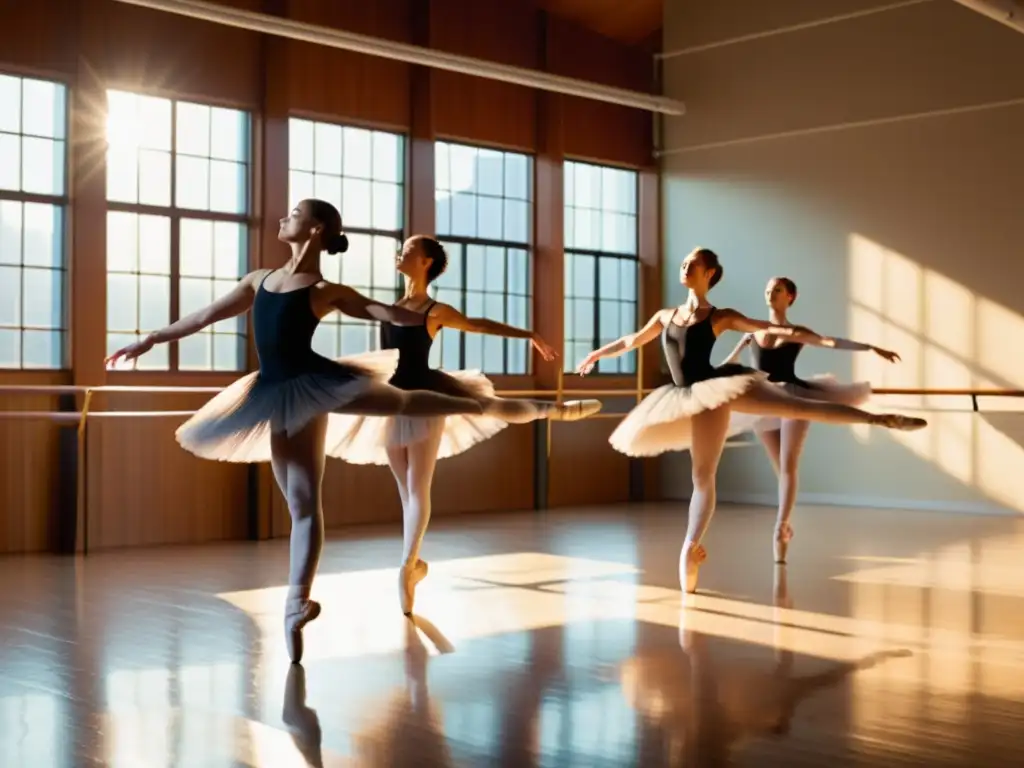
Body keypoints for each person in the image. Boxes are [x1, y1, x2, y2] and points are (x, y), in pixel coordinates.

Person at [104, 199, 494, 664]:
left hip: (309, 388)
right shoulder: (259, 280)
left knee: (311, 498)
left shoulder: (326, 289)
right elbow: (205, 316)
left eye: (292, 214)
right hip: (269, 390)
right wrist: (150, 339)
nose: (282, 217)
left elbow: (381, 312)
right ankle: (296, 608)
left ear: (315, 230)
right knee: (295, 502)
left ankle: (295, 603)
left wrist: (427, 318)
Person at [575, 248, 927, 594]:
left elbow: (780, 331)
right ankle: (691, 549)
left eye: (693, 263)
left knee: (800, 409)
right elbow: (631, 340)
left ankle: (881, 419)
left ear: (709, 273)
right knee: (701, 475)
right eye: (684, 262)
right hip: (687, 393)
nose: (685, 266)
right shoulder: (665, 316)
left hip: (716, 388)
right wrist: (597, 353)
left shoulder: (720, 316)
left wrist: (857, 345)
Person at [327, 235, 602, 615]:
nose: (399, 254)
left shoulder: (435, 311)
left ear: (425, 262)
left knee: (466, 429)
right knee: (406, 490)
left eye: (407, 251)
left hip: (427, 393)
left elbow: (478, 325)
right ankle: (414, 564)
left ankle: (556, 410)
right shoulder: (390, 307)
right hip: (392, 396)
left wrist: (529, 335)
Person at [719, 276, 902, 563]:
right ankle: (786, 525)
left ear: (790, 297)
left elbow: (830, 341)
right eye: (767, 289)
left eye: (777, 290)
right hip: (764, 401)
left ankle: (779, 529)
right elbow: (728, 362)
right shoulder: (752, 330)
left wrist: (870, 347)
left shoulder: (796, 332)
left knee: (789, 465)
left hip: (794, 398)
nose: (770, 293)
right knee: (781, 469)